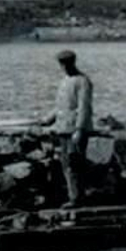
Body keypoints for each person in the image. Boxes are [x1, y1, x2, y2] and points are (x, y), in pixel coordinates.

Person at [40, 49, 95, 205]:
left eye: (65, 64)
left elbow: (84, 107)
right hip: (62, 128)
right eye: (62, 64)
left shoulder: (82, 81)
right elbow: (60, 106)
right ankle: (74, 195)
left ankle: (76, 198)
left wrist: (79, 129)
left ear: (72, 63)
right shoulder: (65, 81)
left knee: (74, 163)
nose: (63, 67)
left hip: (74, 130)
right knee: (66, 163)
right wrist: (48, 119)